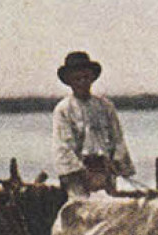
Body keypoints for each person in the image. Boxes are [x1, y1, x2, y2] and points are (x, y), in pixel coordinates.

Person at [51, 50, 136, 197]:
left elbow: (118, 139)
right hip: (78, 175)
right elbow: (63, 147)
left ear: (92, 78)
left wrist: (115, 164)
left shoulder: (105, 106)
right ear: (70, 82)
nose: (82, 82)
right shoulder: (63, 109)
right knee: (83, 211)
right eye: (77, 79)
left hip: (105, 170)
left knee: (110, 211)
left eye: (86, 77)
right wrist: (84, 173)